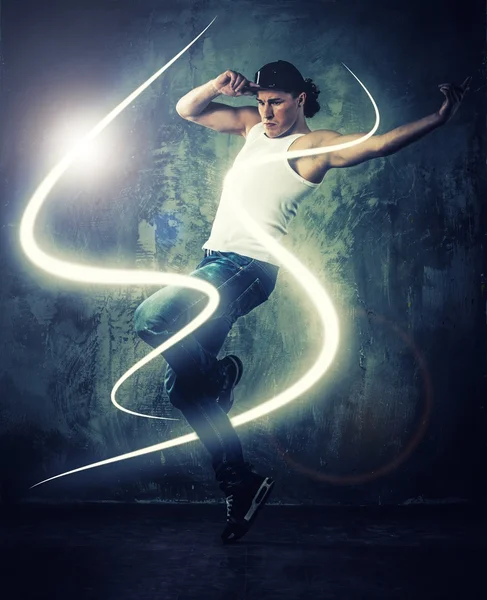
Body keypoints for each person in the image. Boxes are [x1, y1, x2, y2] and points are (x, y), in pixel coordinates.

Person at [134, 60, 470, 543]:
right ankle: (241, 483)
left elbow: (377, 144)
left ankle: (218, 373)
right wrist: (219, 85)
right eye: (262, 102)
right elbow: (188, 110)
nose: (266, 112)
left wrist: (437, 119)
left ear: (301, 101)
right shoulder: (251, 127)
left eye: (277, 103)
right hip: (212, 263)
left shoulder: (312, 147)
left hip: (246, 269)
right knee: (184, 393)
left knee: (152, 317)